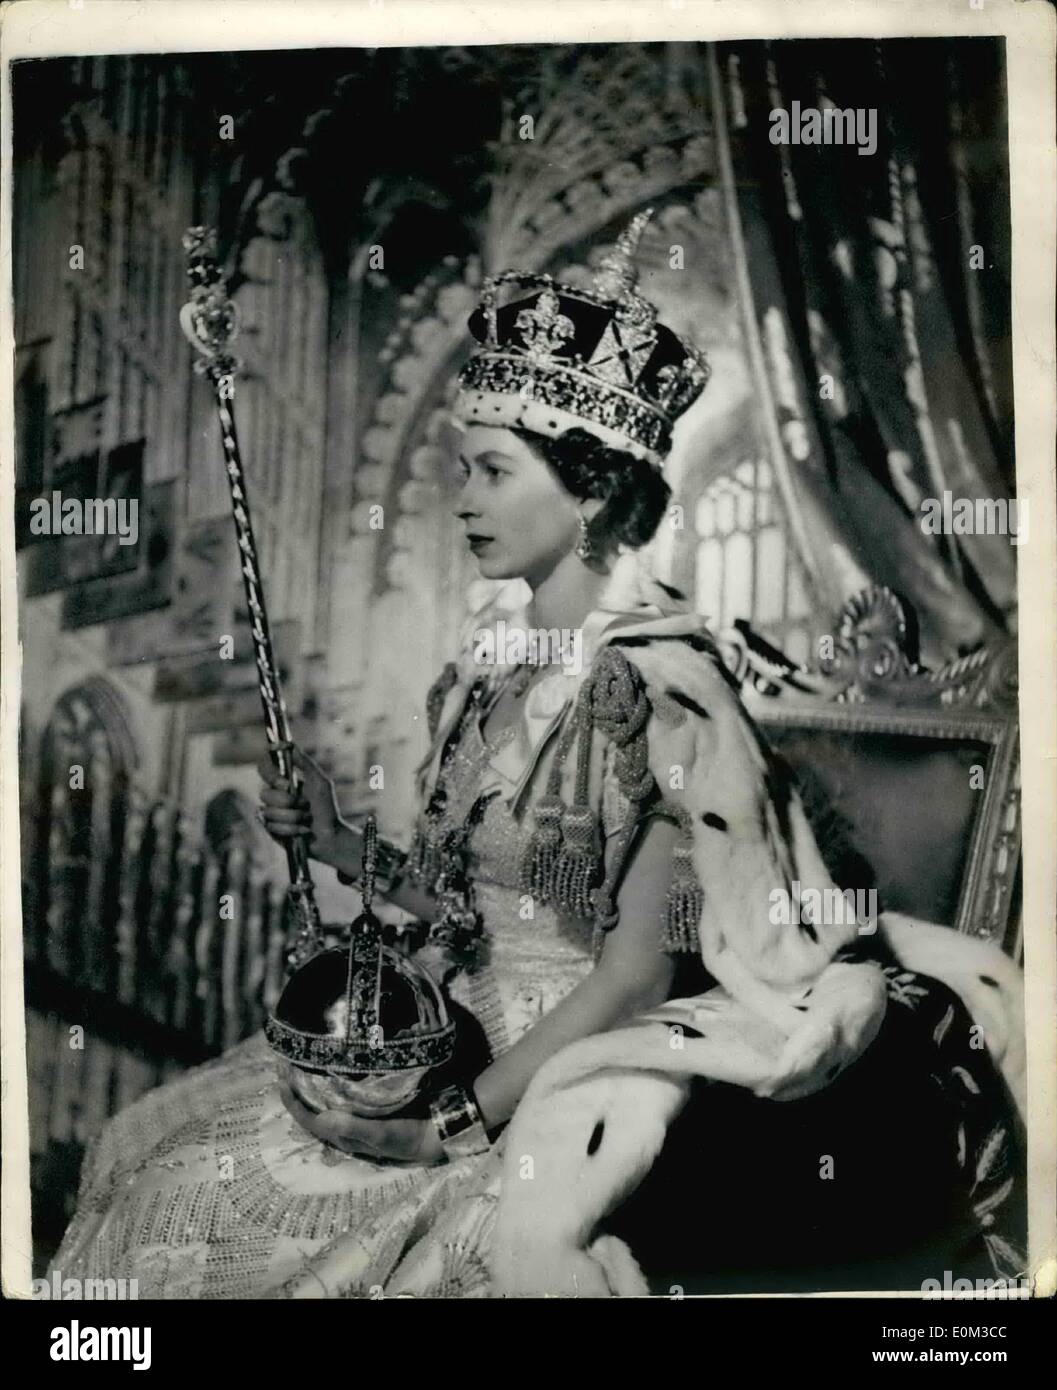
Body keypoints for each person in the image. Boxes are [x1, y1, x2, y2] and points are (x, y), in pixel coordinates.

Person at [49, 212, 1026, 1298]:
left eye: (494, 471)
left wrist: (457, 1126)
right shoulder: (489, 677)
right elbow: (465, 905)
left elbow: (632, 971)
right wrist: (334, 837)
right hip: (443, 1016)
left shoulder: (669, 697)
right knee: (142, 1147)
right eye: (463, 469)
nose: (464, 497)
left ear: (594, 489)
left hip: (564, 1058)